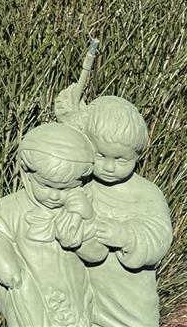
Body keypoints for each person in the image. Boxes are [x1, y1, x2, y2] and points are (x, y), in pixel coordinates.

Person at [56, 93, 173, 327]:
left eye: (121, 160)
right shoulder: (82, 185)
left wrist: (126, 235)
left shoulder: (146, 193)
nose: (109, 167)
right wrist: (70, 116)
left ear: (137, 155)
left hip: (130, 303)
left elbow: (160, 236)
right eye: (100, 155)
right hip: (88, 300)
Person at [0, 122, 96, 327]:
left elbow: (96, 254)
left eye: (65, 189)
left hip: (74, 303)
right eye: (46, 185)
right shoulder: (13, 207)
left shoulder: (79, 210)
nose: (54, 196)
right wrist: (5, 263)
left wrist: (86, 218)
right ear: (27, 174)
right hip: (30, 301)